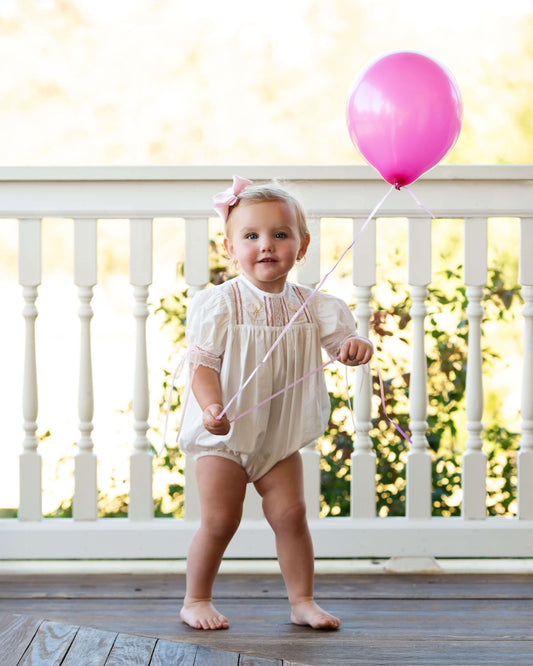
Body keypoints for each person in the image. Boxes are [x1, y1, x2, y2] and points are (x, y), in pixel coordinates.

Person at [178, 175, 374, 631]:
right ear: (230, 248)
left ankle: (302, 600)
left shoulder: (313, 307)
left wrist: (354, 346)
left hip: (278, 435)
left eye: (280, 235)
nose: (266, 245)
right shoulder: (222, 304)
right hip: (222, 434)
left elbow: (341, 342)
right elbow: (202, 365)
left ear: (301, 246)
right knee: (220, 520)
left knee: (291, 514)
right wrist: (210, 408)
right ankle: (196, 599)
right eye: (251, 236)